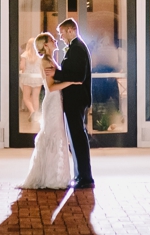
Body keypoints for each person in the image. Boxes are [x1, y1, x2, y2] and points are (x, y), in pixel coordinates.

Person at [20, 32, 77, 189]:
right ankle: (50, 178)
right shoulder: (46, 62)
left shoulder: (50, 59)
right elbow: (51, 87)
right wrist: (72, 82)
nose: (55, 41)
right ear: (45, 45)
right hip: (52, 102)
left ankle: (54, 175)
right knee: (53, 136)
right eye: (52, 40)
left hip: (56, 102)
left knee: (56, 135)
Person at [53, 18, 94, 189]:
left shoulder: (77, 48)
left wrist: (56, 73)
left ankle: (85, 177)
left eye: (62, 33)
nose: (61, 37)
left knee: (78, 138)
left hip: (76, 99)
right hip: (74, 98)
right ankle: (80, 175)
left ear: (71, 30)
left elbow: (77, 76)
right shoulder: (76, 47)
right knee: (76, 138)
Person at [18, 36, 44, 122]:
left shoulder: (24, 55)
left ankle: (32, 111)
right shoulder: (40, 55)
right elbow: (42, 67)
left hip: (27, 77)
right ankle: (35, 115)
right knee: (35, 97)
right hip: (38, 77)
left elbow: (22, 67)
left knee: (26, 97)